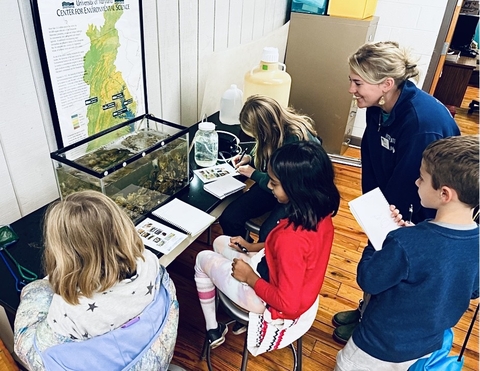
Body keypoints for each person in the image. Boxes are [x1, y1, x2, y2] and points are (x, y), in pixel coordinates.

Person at [332, 41, 461, 343]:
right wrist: (372, 208)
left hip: (419, 209)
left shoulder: (420, 122)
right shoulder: (379, 107)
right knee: (378, 255)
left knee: (391, 264)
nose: (351, 89)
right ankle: (366, 309)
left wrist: (387, 225)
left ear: (386, 84)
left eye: (357, 82)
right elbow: (371, 157)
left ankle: (373, 322)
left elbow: (411, 187)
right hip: (389, 200)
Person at [334, 135, 479, 370]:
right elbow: (472, 289)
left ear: (444, 194)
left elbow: (369, 279)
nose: (416, 182)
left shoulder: (406, 243)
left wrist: (378, 241)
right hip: (427, 346)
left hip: (378, 346)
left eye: (422, 178)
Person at [195, 141, 340, 353]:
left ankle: (213, 328)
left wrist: (249, 278)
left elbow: (287, 304)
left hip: (266, 298)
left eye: (274, 183)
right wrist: (252, 246)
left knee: (201, 258)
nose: (269, 187)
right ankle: (226, 294)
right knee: (219, 242)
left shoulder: (292, 240)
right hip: (277, 274)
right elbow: (284, 248)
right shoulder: (319, 214)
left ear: (295, 188)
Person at [14, 190, 179, 371]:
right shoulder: (149, 261)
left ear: (63, 253)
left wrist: (34, 289)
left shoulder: (70, 309)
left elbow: (35, 353)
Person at [218, 94, 320, 243]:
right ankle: (242, 254)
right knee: (229, 218)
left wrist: (253, 174)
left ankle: (259, 263)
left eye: (256, 135)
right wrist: (251, 159)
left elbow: (284, 183)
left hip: (296, 194)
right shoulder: (275, 130)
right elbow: (269, 159)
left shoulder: (296, 141)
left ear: (265, 129)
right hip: (273, 184)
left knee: (269, 234)